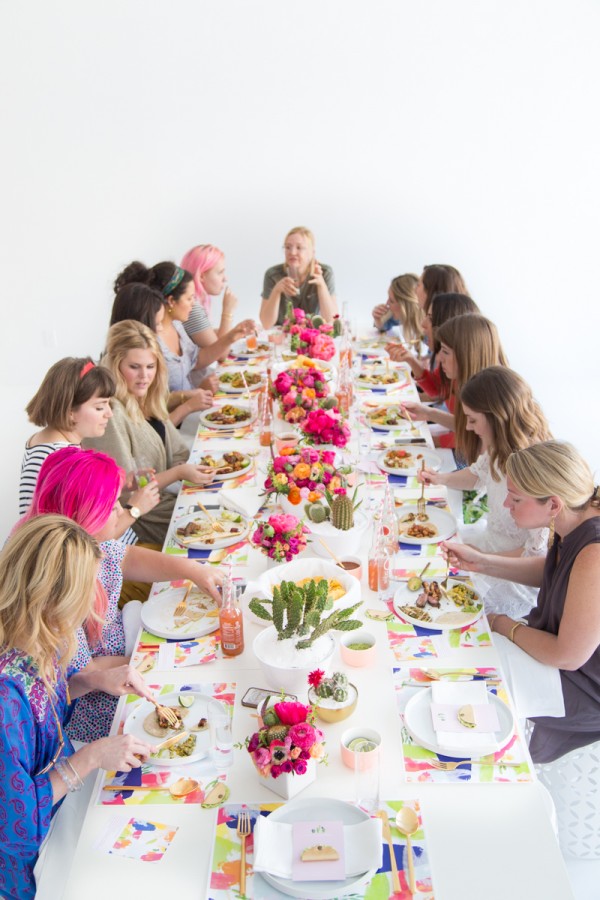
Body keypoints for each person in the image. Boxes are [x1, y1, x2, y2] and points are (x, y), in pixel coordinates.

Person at [0, 515, 155, 899]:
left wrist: (91, 680)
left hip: (62, 797)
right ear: (55, 598)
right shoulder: (4, 700)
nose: (93, 601)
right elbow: (18, 828)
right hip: (34, 860)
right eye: (88, 589)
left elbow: (43, 712)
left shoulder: (39, 636)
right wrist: (89, 757)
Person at [21, 446, 222, 742]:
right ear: (81, 515)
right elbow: (85, 672)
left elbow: (127, 558)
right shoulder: (58, 586)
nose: (120, 511)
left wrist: (192, 569)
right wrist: (148, 655)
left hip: (127, 655)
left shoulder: (90, 545)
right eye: (111, 505)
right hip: (98, 701)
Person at [443, 441, 600, 763]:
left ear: (553, 504)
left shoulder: (594, 554)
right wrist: (482, 561)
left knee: (471, 670)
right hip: (556, 647)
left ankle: (477, 762)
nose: (505, 503)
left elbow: (568, 656)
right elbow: (555, 571)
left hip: (581, 683)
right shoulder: (573, 515)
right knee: (463, 647)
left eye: (515, 498)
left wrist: (501, 624)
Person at [419, 367, 552, 617]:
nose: (468, 428)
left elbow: (535, 555)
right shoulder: (499, 447)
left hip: (511, 573)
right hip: (487, 546)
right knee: (427, 563)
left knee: (441, 602)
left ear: (496, 418)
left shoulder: (533, 468)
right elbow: (478, 475)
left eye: (472, 419)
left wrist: (481, 558)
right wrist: (440, 478)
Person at [85, 320, 216, 545]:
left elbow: (179, 453)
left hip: (168, 500)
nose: (144, 376)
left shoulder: (148, 398)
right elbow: (126, 487)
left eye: (150, 366)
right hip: (143, 521)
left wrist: (183, 470)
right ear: (115, 366)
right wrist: (176, 474)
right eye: (134, 367)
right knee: (218, 524)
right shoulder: (111, 413)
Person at [19, 357, 159, 538]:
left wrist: (120, 486)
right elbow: (88, 539)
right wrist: (135, 509)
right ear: (70, 411)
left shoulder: (48, 442)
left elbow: (78, 502)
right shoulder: (64, 459)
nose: (109, 413)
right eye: (100, 407)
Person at [114, 260, 255, 380]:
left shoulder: (176, 326)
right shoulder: (151, 337)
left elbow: (197, 360)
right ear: (171, 301)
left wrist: (231, 337)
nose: (193, 304)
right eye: (189, 298)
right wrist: (188, 399)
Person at [401, 313, 508, 450]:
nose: (439, 358)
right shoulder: (461, 380)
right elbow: (466, 428)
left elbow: (472, 440)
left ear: (466, 355)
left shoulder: (488, 396)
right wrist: (428, 413)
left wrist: (429, 440)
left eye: (445, 352)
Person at [388, 292, 479, 381]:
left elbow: (435, 392)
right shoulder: (447, 363)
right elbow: (437, 390)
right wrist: (410, 359)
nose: (423, 323)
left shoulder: (451, 365)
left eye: (431, 319)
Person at [260, 226, 338, 328]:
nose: (292, 253)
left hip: (313, 335)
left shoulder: (325, 272)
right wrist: (277, 290)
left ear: (312, 252)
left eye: (299, 247)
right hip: (282, 336)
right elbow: (266, 324)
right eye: (288, 247)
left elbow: (331, 320)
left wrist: (321, 285)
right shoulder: (273, 275)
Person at [180, 243, 240, 338]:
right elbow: (220, 351)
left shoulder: (198, 301)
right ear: (201, 276)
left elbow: (208, 334)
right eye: (220, 272)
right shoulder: (193, 308)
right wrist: (228, 312)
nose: (225, 278)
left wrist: (239, 332)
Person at [371, 274, 423, 346]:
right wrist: (378, 320)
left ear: (406, 307)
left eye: (391, 301)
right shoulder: (397, 318)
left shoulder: (428, 330)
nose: (387, 303)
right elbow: (384, 328)